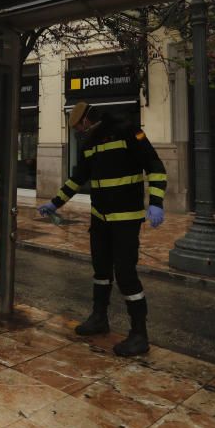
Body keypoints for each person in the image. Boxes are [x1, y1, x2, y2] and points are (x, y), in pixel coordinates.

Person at [38, 101, 167, 357]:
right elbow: (77, 178)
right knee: (100, 270)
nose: (78, 132)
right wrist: (55, 202)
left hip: (126, 219)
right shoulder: (89, 144)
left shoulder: (129, 131)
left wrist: (156, 203)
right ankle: (99, 317)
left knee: (126, 274)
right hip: (100, 219)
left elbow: (155, 167)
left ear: (86, 120)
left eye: (78, 127)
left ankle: (139, 334)